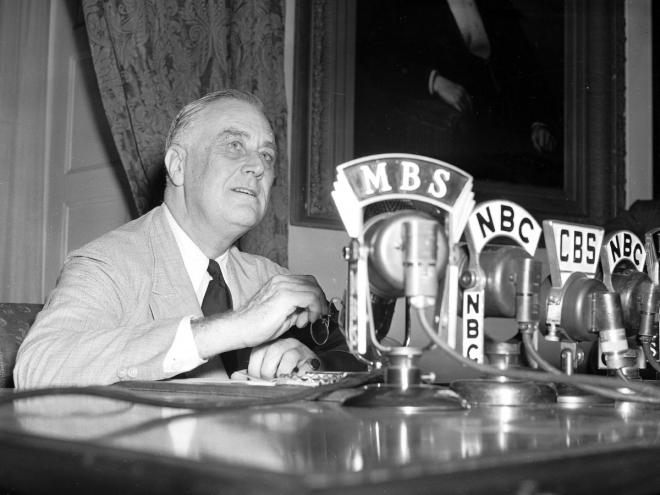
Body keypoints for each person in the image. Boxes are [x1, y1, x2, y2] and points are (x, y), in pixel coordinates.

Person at [14, 89, 362, 389]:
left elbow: (361, 359)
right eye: (234, 145)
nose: (258, 166)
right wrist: (233, 327)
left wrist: (310, 363)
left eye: (267, 155)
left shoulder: (269, 277)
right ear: (178, 166)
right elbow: (36, 367)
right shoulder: (109, 261)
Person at [354, 0, 562, 186]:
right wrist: (433, 81)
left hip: (512, 125)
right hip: (463, 131)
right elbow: (376, 59)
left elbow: (524, 62)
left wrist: (539, 122)